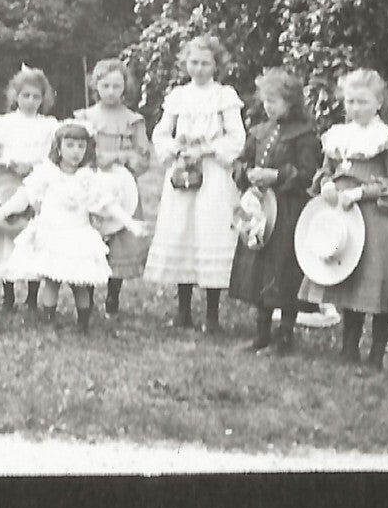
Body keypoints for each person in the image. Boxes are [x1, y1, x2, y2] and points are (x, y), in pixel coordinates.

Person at [298, 68, 388, 373]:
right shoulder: (339, 135)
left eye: (363, 102)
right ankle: (348, 349)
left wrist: (361, 192)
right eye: (350, 101)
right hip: (342, 219)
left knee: (379, 285)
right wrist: (327, 183)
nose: (355, 108)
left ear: (378, 102)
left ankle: (376, 355)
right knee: (349, 280)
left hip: (374, 219)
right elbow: (326, 170)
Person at [0, 121, 148, 331]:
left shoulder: (89, 179)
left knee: (80, 283)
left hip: (78, 235)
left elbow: (107, 204)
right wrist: (1, 213)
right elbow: (25, 196)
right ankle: (49, 321)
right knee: (51, 281)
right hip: (52, 234)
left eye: (81, 147)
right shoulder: (47, 173)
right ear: (58, 147)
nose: (75, 152)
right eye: (70, 145)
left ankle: (82, 324)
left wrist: (131, 223)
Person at [144, 35, 246, 333]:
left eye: (205, 63)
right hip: (182, 172)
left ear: (216, 65)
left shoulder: (224, 96)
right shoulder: (178, 96)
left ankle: (212, 314)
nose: (199, 69)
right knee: (182, 231)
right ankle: (183, 310)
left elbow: (236, 137)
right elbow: (161, 133)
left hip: (212, 173)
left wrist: (207, 150)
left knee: (209, 232)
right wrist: (176, 149)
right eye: (193, 62)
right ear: (185, 63)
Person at [228, 68, 320, 352]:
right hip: (260, 210)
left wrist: (277, 176)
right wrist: (248, 173)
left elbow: (307, 173)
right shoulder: (259, 131)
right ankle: (261, 333)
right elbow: (240, 161)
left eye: (275, 101)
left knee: (283, 269)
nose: (268, 106)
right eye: (265, 100)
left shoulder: (303, 134)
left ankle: (284, 335)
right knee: (258, 268)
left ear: (291, 102)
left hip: (288, 211)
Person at [0, 66, 60, 311]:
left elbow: (57, 155)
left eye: (36, 97)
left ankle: (32, 296)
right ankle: (7, 295)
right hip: (5, 184)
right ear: (15, 96)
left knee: (33, 235)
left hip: (37, 185)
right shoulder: (3, 124)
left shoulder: (50, 126)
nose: (30, 101)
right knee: (5, 236)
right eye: (25, 96)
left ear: (44, 99)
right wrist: (8, 163)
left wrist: (34, 166)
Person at [75, 57, 153, 317]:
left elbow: (143, 158)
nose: (111, 91)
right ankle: (88, 297)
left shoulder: (133, 120)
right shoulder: (85, 117)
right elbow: (71, 150)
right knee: (90, 236)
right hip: (92, 184)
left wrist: (121, 158)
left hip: (121, 187)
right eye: (105, 85)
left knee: (119, 237)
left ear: (124, 88)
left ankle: (113, 296)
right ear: (95, 86)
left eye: (116, 86)